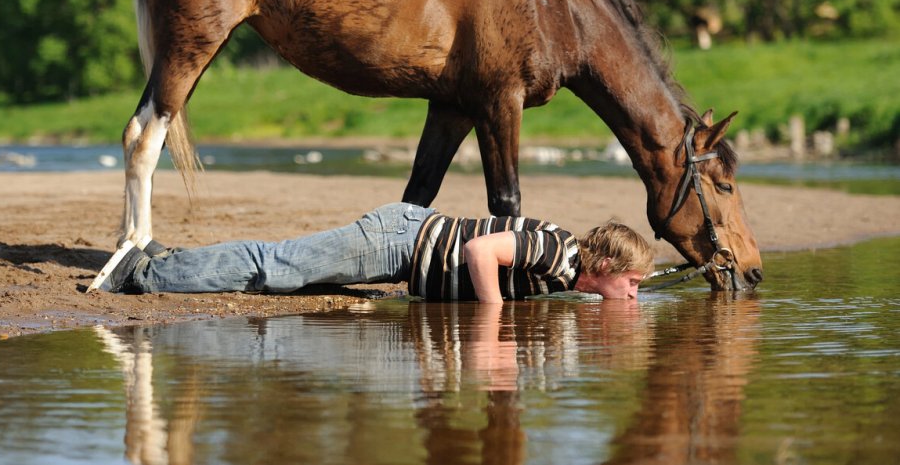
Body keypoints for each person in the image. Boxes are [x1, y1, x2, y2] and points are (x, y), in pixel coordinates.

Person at [93, 202, 655, 302]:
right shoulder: (556, 250)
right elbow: (482, 250)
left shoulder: (561, 278)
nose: (632, 295)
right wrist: (495, 326)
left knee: (280, 268)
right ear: (606, 266)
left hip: (401, 253)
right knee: (276, 268)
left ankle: (166, 259)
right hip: (398, 240)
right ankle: (137, 272)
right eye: (632, 284)